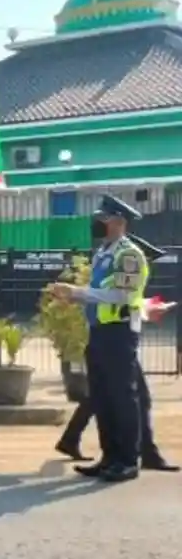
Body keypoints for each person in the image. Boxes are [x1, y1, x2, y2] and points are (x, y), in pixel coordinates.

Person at [55, 234, 179, 472]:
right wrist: (78, 294)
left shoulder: (120, 257)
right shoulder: (118, 257)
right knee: (120, 397)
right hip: (113, 335)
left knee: (131, 397)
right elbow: (120, 299)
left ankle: (140, 454)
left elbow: (126, 300)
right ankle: (129, 454)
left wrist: (146, 308)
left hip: (119, 335)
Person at [50, 195, 151, 483]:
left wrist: (78, 293)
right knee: (103, 397)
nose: (97, 223)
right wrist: (73, 297)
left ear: (119, 222)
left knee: (122, 398)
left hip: (120, 334)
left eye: (103, 219)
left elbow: (123, 295)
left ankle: (127, 461)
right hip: (99, 332)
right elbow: (99, 292)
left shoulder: (129, 255)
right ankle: (109, 458)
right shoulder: (103, 253)